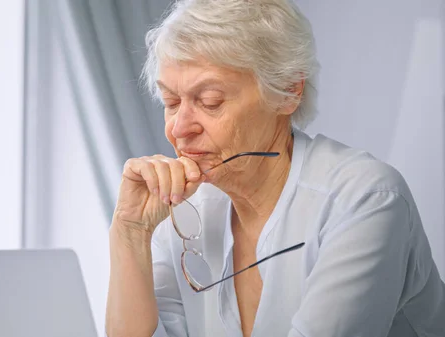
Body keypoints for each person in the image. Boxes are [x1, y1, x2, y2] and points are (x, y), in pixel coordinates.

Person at [105, 0, 445, 336]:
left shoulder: (366, 199)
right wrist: (129, 231)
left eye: (210, 101)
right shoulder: (183, 210)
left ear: (287, 92)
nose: (179, 128)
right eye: (171, 103)